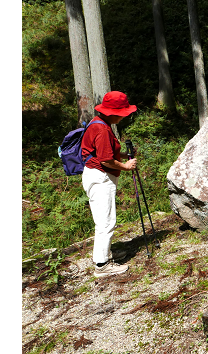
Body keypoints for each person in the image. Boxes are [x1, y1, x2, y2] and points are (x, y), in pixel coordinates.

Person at [81, 91, 137, 277]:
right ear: (114, 112)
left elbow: (103, 152)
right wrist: (126, 166)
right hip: (100, 177)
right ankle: (102, 265)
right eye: (123, 113)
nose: (125, 116)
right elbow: (105, 160)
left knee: (104, 219)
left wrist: (121, 155)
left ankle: (103, 254)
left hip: (97, 175)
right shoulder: (102, 129)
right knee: (106, 222)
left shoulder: (99, 123)